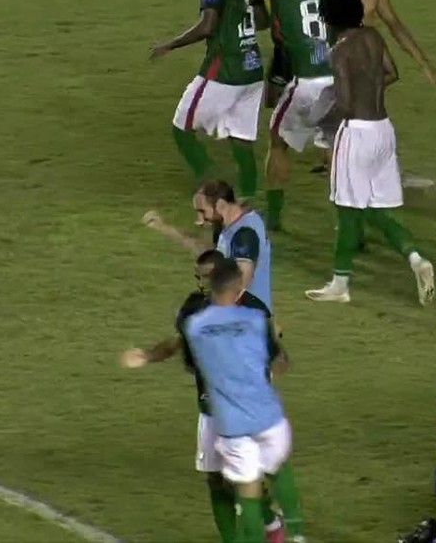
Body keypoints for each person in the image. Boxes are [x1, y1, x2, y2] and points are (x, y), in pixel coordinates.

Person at [119, 250, 288, 543]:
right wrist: (147, 356)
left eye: (208, 277)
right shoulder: (195, 309)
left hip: (247, 411)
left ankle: (271, 524)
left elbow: (277, 356)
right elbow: (177, 342)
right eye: (199, 278)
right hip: (212, 408)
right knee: (216, 479)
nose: (203, 284)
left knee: (243, 480)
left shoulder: (251, 309)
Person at [304, 0, 435, 306]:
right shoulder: (374, 37)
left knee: (347, 210)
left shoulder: (340, 51)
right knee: (376, 208)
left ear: (330, 19)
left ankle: (340, 284)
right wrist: (368, 89)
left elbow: (345, 104)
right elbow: (391, 73)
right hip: (383, 131)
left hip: (356, 134)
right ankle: (416, 259)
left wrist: (319, 119)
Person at [184, 260, 306, 543]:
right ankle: (296, 534)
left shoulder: (195, 325)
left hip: (230, 422)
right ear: (238, 288)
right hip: (265, 414)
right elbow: (278, 360)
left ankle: (263, 532)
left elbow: (192, 363)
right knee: (276, 471)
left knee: (247, 490)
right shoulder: (256, 320)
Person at [152, 0, 267, 199]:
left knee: (182, 127)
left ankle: (210, 186)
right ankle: (248, 198)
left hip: (224, 69)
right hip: (252, 68)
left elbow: (208, 25)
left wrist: (170, 45)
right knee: (241, 140)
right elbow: (262, 20)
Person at [309, 0, 436, 176]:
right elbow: (396, 26)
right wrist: (423, 63)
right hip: (368, 56)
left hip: (330, 59)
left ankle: (334, 164)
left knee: (332, 118)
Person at [260, 0, 367, 230]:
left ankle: (274, 218)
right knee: (336, 150)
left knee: (277, 143)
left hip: (306, 84)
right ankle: (350, 225)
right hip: (339, 83)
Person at [144, 179, 273, 311]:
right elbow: (206, 249)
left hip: (245, 316)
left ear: (221, 205)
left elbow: (242, 280)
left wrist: (217, 314)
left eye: (202, 211)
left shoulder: (245, 233)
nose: (199, 220)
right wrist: (164, 228)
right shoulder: (228, 225)